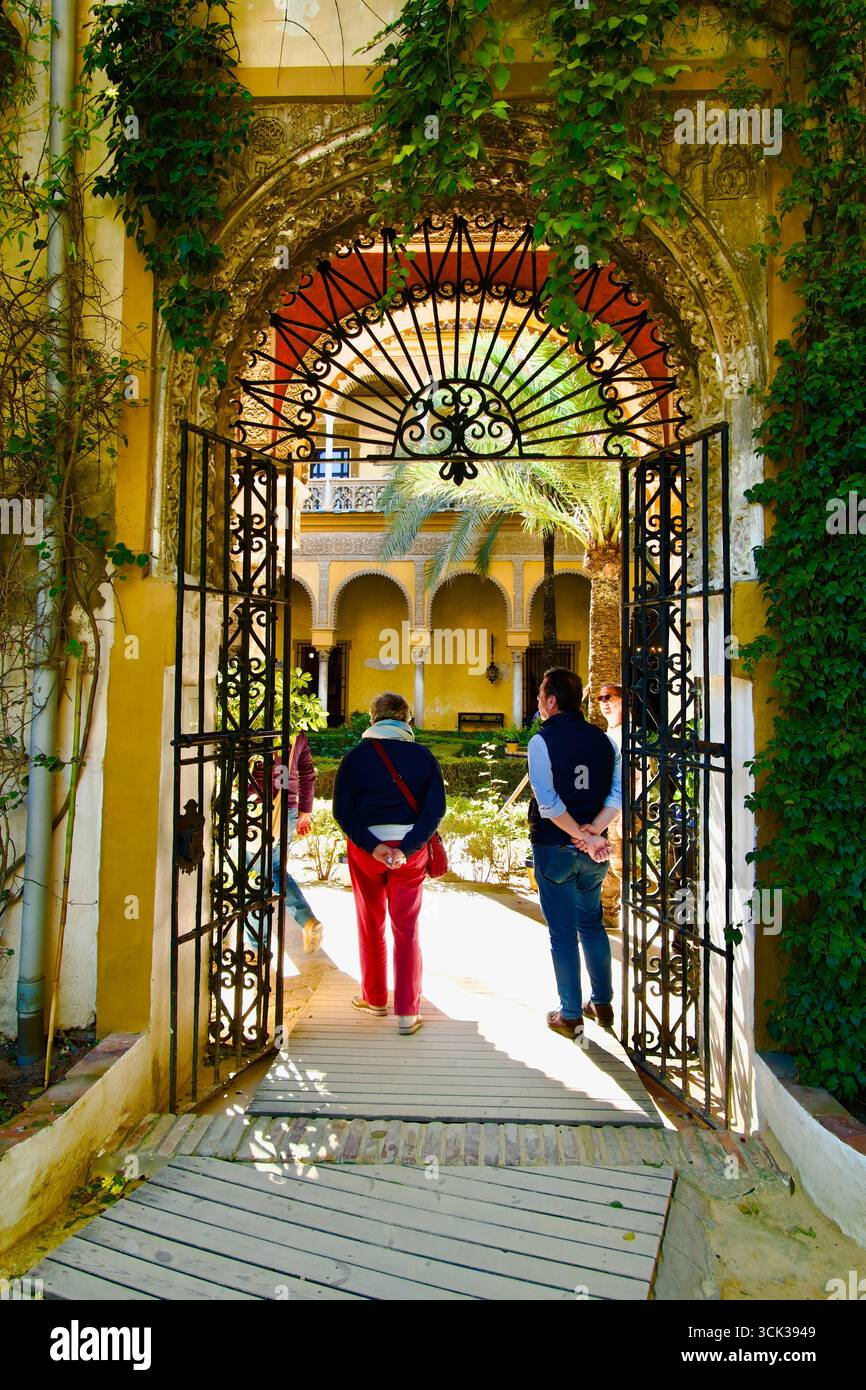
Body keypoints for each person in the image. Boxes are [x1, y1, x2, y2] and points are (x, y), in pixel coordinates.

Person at [333, 691, 445, 1035]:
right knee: (406, 927)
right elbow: (435, 810)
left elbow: (342, 811)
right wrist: (408, 848)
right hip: (409, 852)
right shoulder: (423, 757)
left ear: (373, 720)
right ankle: (408, 1012)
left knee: (370, 923)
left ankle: (375, 998)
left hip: (367, 851)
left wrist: (373, 846)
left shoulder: (354, 758)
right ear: (407, 720)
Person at [527, 667, 623, 1042]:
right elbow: (616, 795)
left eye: (540, 696)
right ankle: (602, 1001)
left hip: (555, 849)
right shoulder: (605, 742)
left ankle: (570, 1015)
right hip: (592, 854)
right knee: (592, 924)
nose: (538, 702)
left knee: (563, 934)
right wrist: (594, 834)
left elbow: (548, 803)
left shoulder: (542, 741)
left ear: (551, 701)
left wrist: (577, 835)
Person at [251, 731, 323, 955]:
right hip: (288, 809)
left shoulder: (256, 726)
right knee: (272, 869)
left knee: (253, 876)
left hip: (254, 807)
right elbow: (307, 773)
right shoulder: (296, 733)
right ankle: (307, 920)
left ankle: (257, 947)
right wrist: (305, 812)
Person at [598, 683, 624, 932]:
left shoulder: (630, 734)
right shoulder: (608, 733)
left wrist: (627, 813)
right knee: (607, 861)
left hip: (621, 808)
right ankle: (609, 914)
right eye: (601, 698)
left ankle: (654, 894)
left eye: (610, 697)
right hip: (606, 807)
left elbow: (636, 777)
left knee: (617, 864)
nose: (604, 702)